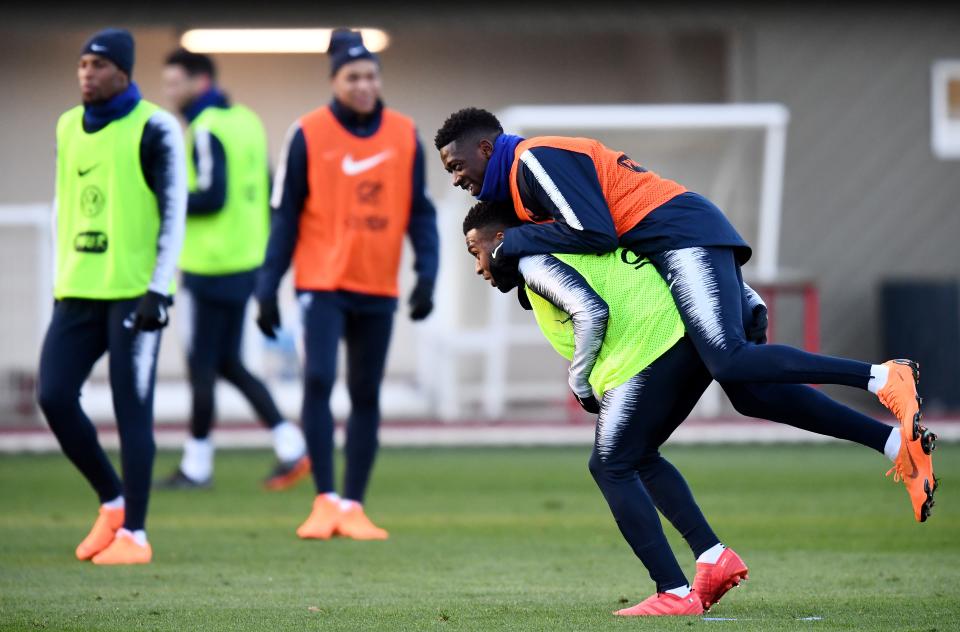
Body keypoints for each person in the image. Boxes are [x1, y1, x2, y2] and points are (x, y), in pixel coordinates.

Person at [435, 108, 938, 523]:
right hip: (673, 250)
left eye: (457, 166)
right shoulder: (521, 190)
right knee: (747, 391)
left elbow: (597, 234)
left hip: (684, 235)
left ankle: (881, 376)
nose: (457, 179)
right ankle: (896, 445)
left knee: (730, 361)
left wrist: (515, 241)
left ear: (486, 148)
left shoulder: (532, 158)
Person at [462, 199, 926, 616]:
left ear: (502, 239)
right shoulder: (580, 235)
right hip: (679, 331)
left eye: (475, 250)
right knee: (738, 398)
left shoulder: (533, 259)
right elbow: (660, 255)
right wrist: (743, 298)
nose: (478, 265)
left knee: (611, 464)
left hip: (658, 346)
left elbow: (590, 310)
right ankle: (891, 443)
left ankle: (674, 590)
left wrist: (579, 382)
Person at [256, 29, 439, 540]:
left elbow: (420, 212)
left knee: (365, 392)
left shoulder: (404, 133)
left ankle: (354, 505)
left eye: (371, 76)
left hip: (377, 285)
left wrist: (427, 271)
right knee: (317, 382)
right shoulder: (308, 133)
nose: (363, 85)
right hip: (321, 282)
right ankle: (324, 500)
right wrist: (268, 285)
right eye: (352, 76)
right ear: (334, 80)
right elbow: (285, 215)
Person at [36, 28, 187, 565]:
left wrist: (158, 288)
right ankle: (112, 500)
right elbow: (65, 205)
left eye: (98, 65)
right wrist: (60, 279)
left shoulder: (156, 127)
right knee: (53, 395)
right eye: (82, 64)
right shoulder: (66, 126)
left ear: (123, 72)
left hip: (135, 294)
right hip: (77, 289)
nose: (87, 73)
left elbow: (175, 211)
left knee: (131, 409)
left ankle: (136, 536)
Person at [157, 48, 308, 490]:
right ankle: (291, 446)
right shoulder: (246, 121)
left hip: (210, 267)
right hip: (245, 263)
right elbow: (267, 188)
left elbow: (213, 195)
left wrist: (164, 197)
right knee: (226, 362)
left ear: (200, 82)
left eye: (174, 83)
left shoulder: (204, 128)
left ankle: (197, 467)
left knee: (202, 364)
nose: (169, 93)